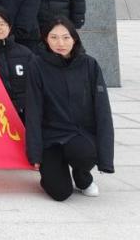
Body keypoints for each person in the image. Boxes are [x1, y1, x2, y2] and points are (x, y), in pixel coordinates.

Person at [26, 17, 114, 201]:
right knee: (60, 193)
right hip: (51, 139)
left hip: (79, 135)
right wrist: (34, 153)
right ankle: (54, 171)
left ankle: (82, 177)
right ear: (45, 39)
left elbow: (103, 111)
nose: (60, 43)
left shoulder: (89, 65)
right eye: (54, 37)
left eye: (66, 37)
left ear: (74, 38)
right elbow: (33, 110)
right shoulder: (37, 65)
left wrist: (105, 160)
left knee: (85, 153)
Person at [0, 5, 34, 121]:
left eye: (2, 24)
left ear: (9, 27)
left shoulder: (25, 53)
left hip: (23, 113)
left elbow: (35, 84)